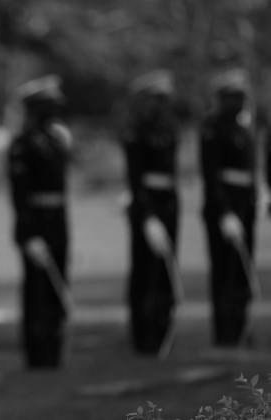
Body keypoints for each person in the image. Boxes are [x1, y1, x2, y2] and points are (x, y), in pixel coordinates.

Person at [8, 75, 72, 368]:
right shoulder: (23, 143)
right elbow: (20, 196)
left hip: (57, 221)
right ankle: (38, 355)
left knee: (57, 286)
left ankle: (54, 350)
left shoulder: (57, 139)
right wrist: (29, 234)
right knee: (38, 291)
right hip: (37, 225)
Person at [120, 70, 180, 355]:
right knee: (145, 273)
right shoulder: (136, 133)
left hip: (168, 205)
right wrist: (147, 216)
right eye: (157, 99)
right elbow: (136, 178)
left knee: (165, 272)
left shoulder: (168, 130)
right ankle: (143, 337)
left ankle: (162, 330)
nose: (162, 105)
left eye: (164, 99)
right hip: (148, 209)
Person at [199, 68, 257, 347]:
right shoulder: (213, 127)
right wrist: (224, 212)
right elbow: (211, 175)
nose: (242, 101)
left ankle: (241, 328)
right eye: (236, 96)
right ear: (222, 98)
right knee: (225, 271)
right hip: (225, 210)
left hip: (245, 206)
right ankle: (225, 333)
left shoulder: (243, 127)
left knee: (243, 271)